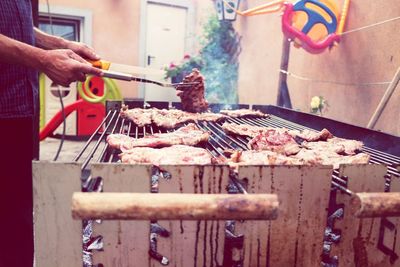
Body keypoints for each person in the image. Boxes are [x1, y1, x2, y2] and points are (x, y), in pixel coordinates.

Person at [0, 1, 102, 266]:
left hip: (20, 108)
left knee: (17, 218)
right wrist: (43, 59)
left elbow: (16, 25)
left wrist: (59, 44)